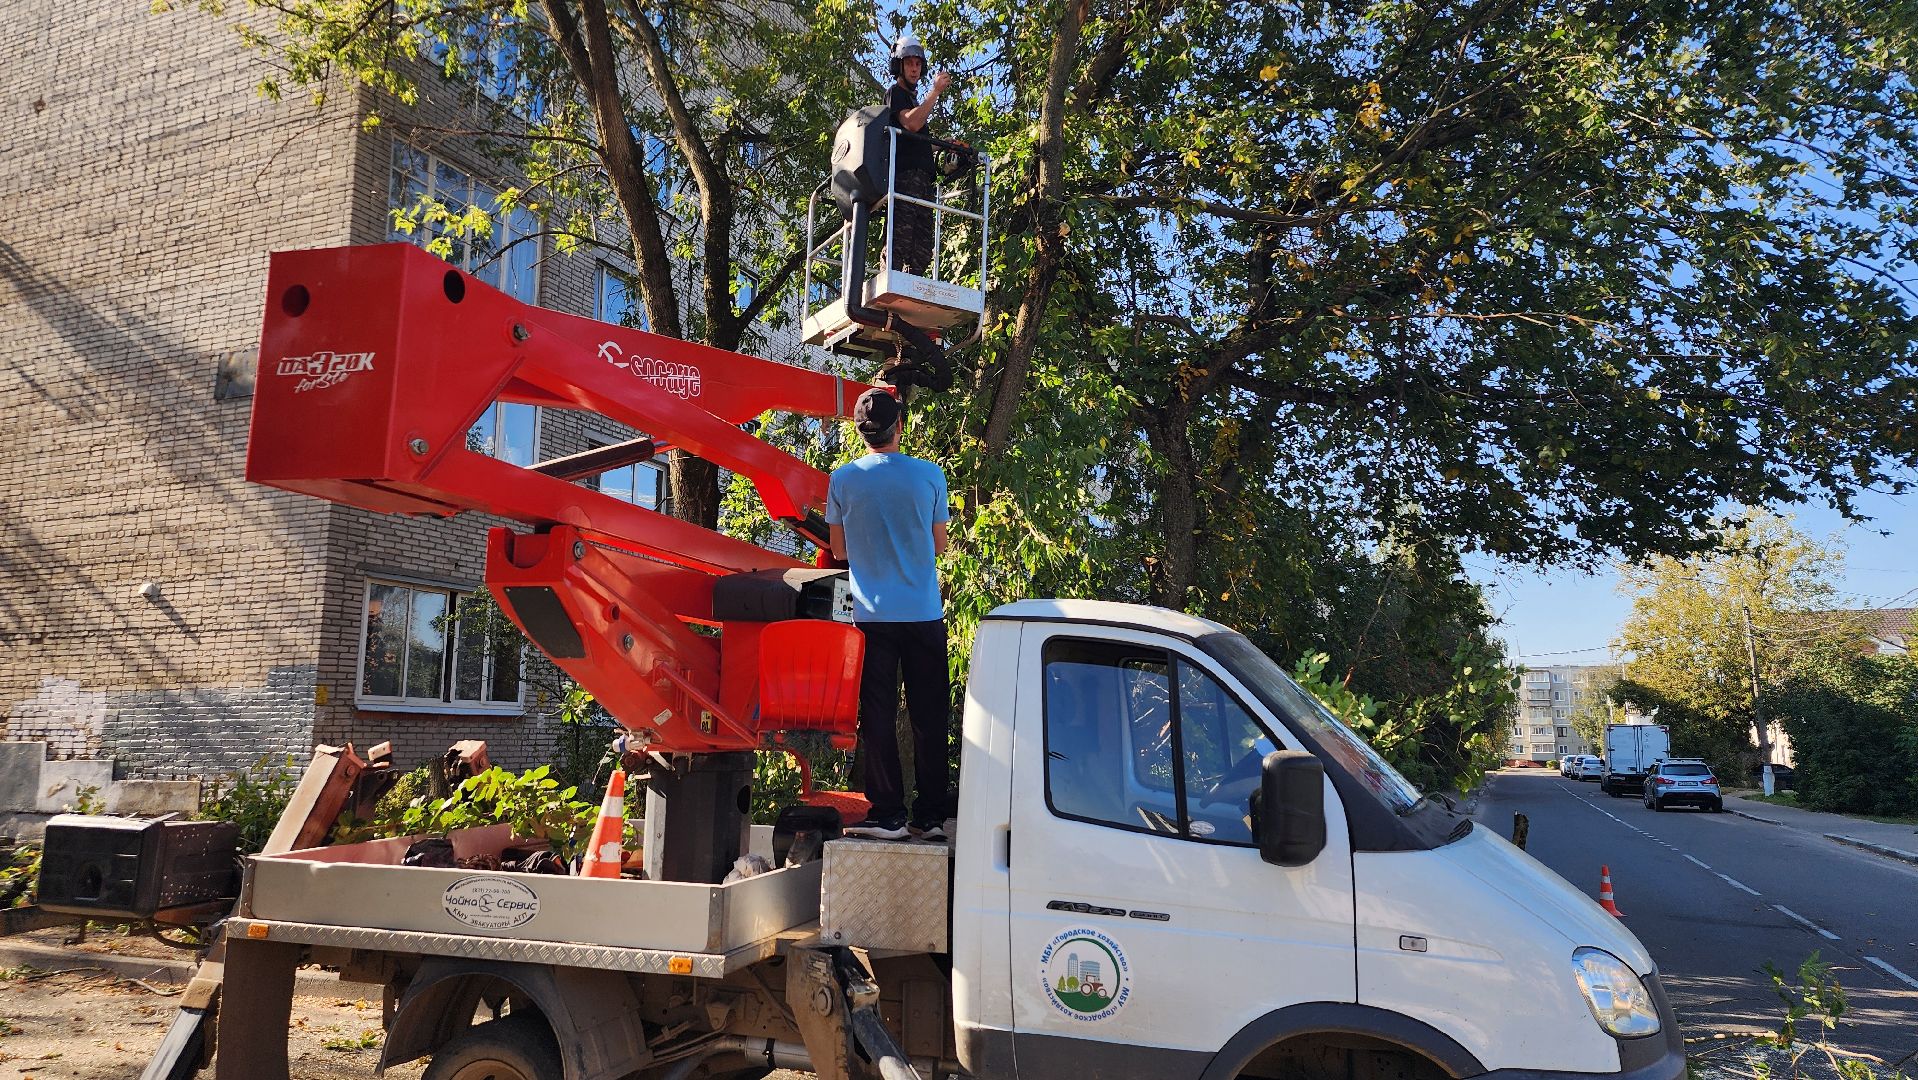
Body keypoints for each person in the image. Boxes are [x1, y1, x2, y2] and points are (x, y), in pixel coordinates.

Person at [826, 387, 952, 840]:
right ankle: (932, 815)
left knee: (876, 714)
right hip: (923, 613)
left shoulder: (842, 480)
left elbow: (838, 551)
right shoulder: (930, 475)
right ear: (900, 425)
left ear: (860, 432)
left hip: (872, 618)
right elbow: (939, 546)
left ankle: (888, 814)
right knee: (929, 713)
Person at [885, 34, 950, 277]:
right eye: (909, 63)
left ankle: (912, 286)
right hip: (905, 179)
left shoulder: (913, 102)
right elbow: (910, 125)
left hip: (923, 181)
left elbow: (916, 142)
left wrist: (943, 146)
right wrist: (934, 92)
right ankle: (890, 279)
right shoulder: (895, 94)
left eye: (918, 64)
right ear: (899, 66)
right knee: (899, 239)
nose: (914, 68)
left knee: (922, 245)